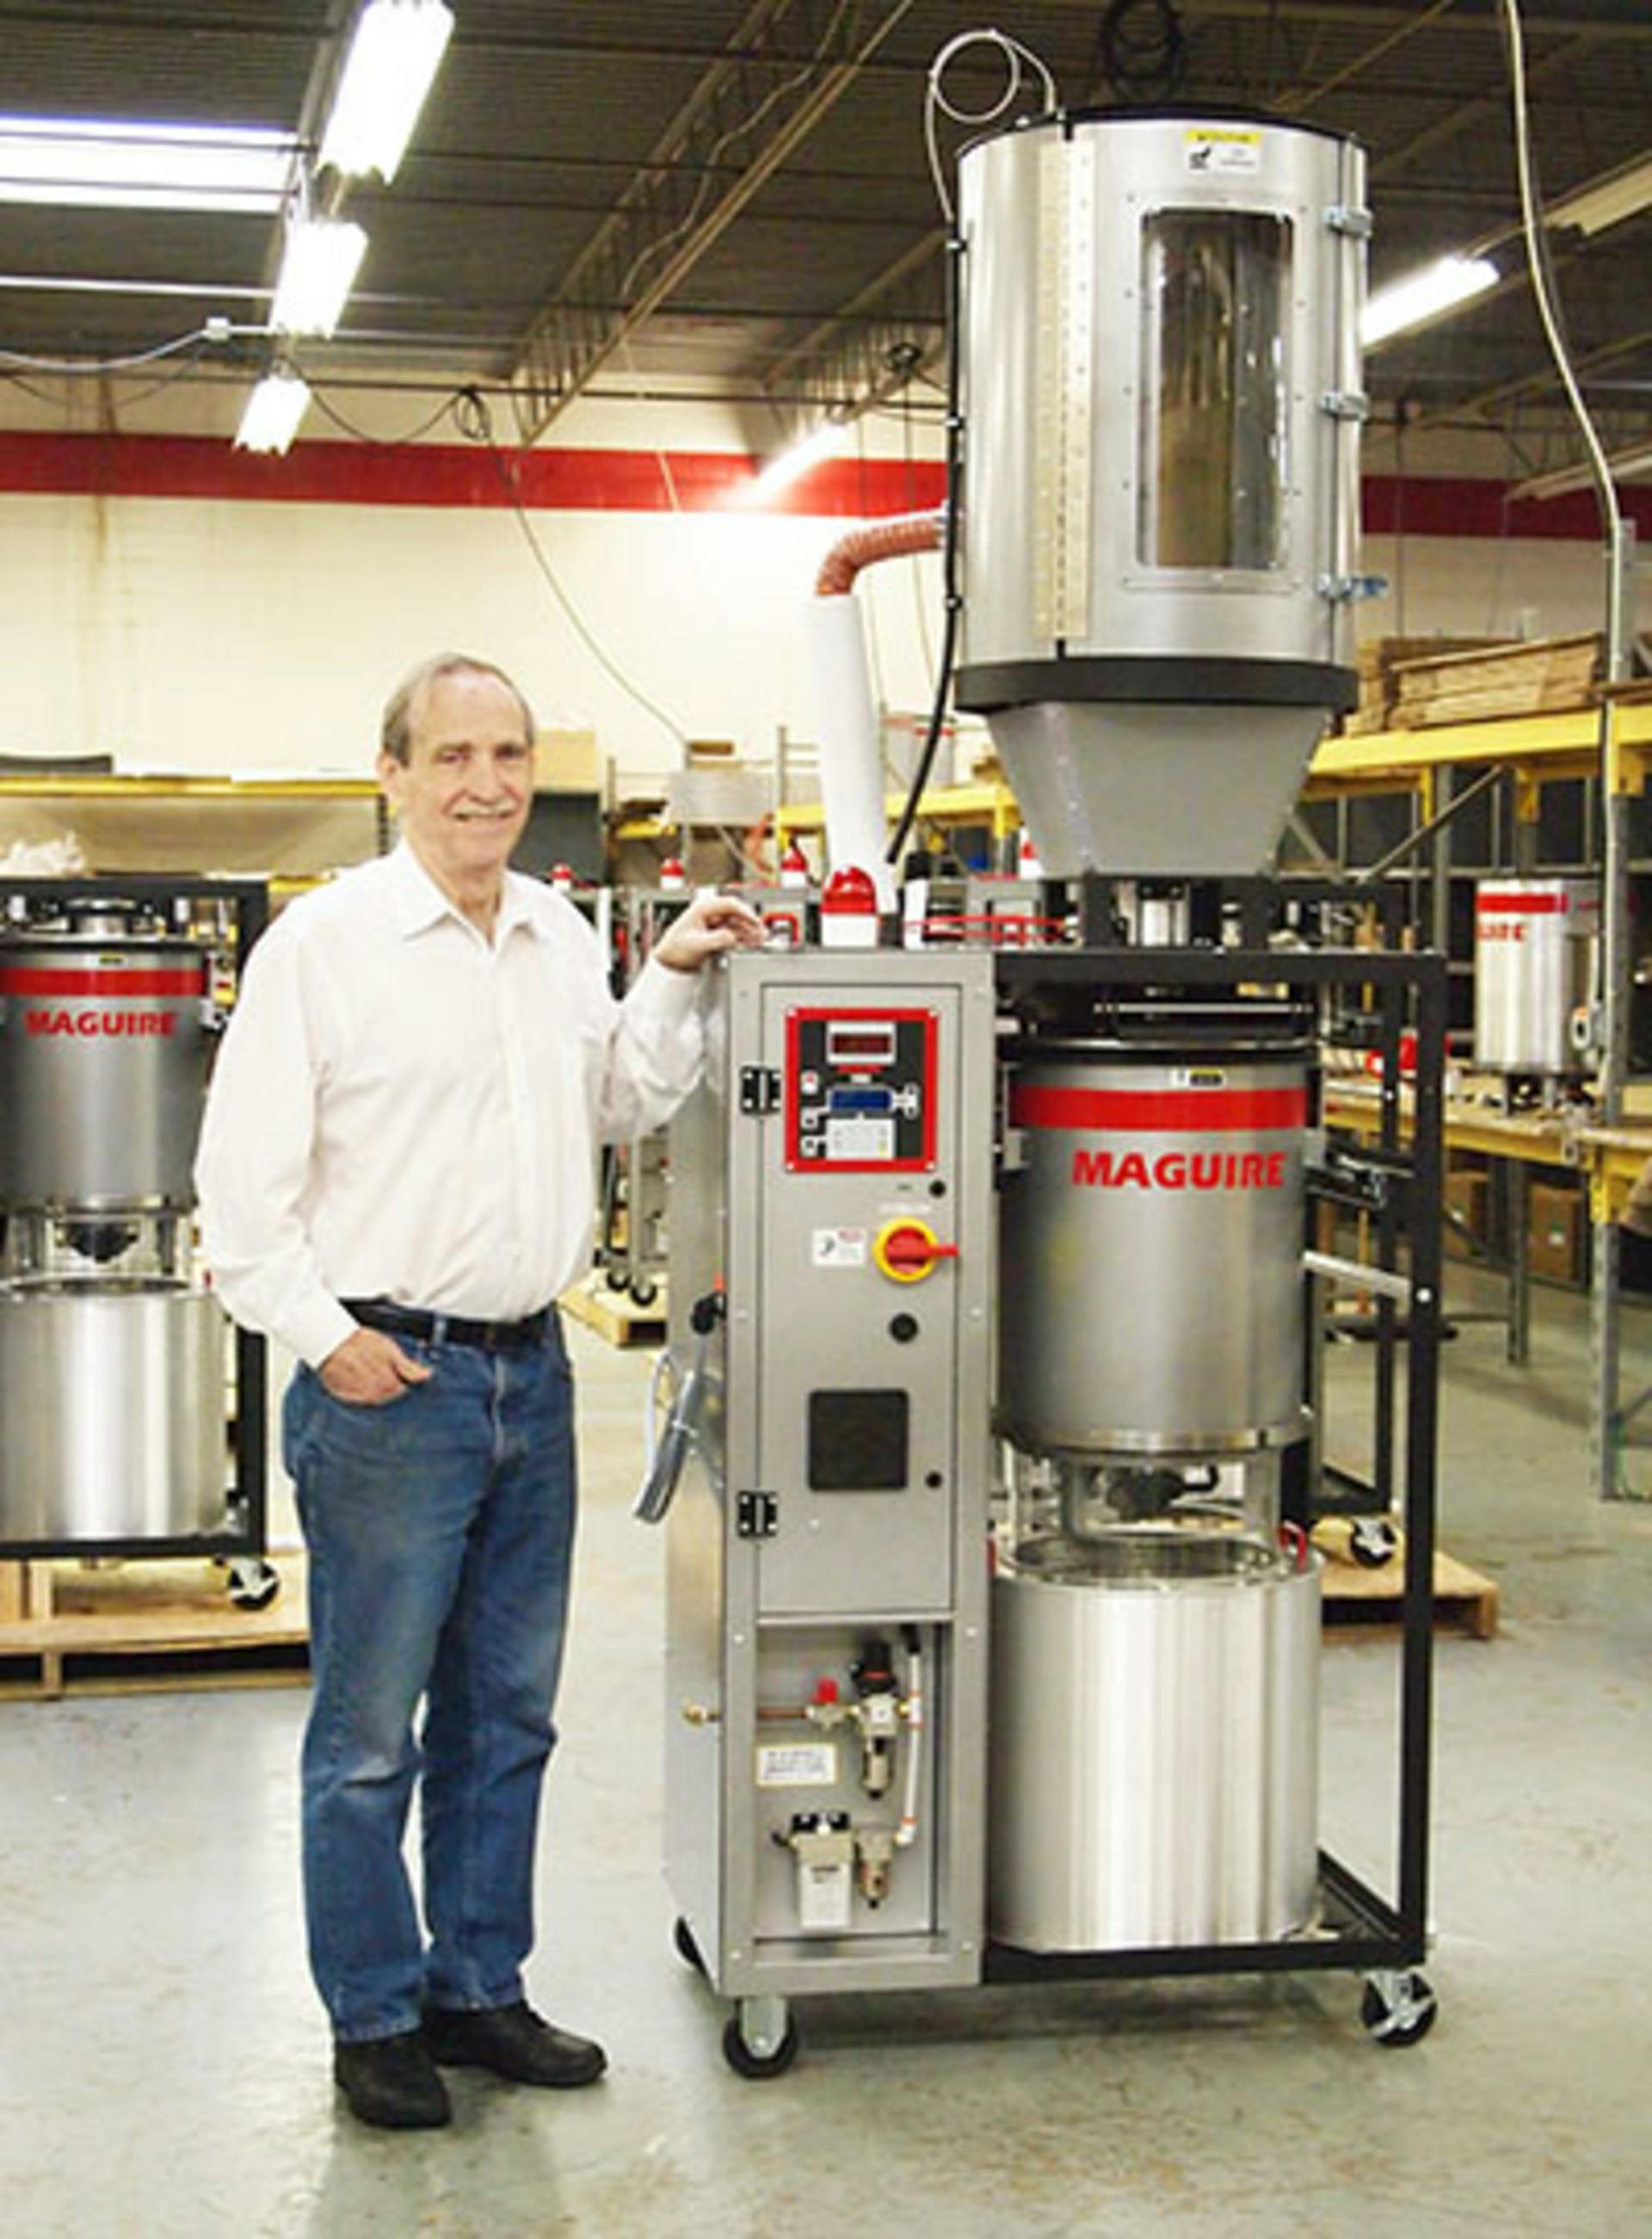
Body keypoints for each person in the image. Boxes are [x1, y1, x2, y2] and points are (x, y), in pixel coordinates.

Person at [194, 652, 761, 2131]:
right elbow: (238, 1198)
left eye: (507, 755)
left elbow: (622, 1098)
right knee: (372, 1729)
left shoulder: (561, 936)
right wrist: (328, 1339)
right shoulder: (320, 949)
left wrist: (678, 972)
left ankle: (477, 1985)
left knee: (507, 1716)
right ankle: (374, 2012)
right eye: (452, 755)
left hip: (531, 1370)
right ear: (393, 773)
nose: (485, 783)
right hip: (390, 1383)